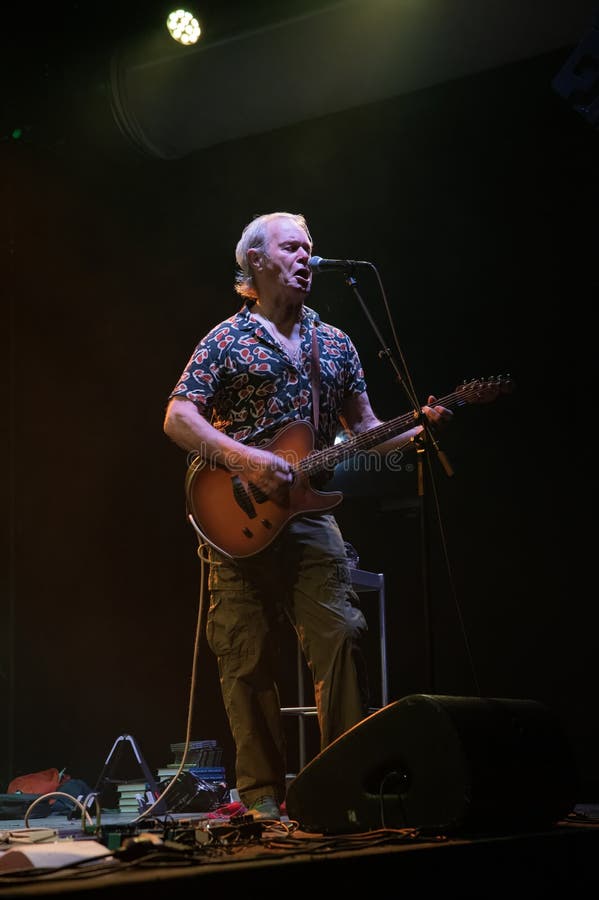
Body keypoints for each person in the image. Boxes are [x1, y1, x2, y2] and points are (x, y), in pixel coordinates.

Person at [163, 211, 452, 821]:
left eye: (311, 248)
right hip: (234, 520)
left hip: (307, 519)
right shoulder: (226, 340)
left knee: (342, 636)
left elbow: (366, 431)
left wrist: (417, 427)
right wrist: (250, 463)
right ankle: (264, 801)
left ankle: (344, 786)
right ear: (256, 262)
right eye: (293, 247)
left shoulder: (336, 343)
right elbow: (178, 418)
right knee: (244, 658)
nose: (307, 257)